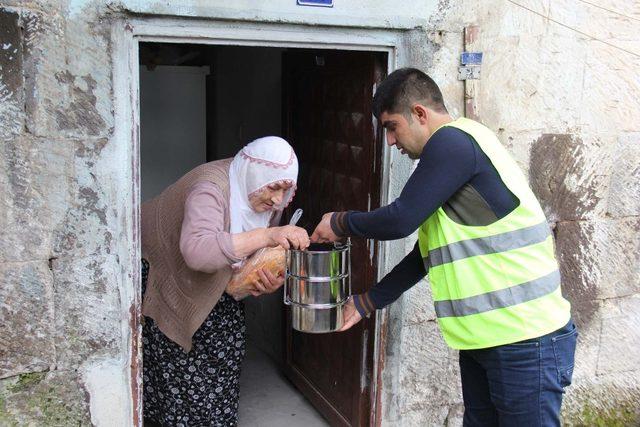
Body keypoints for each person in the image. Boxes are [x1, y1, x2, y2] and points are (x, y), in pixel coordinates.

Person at [311, 68, 577, 426]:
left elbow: (399, 220)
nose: (390, 142)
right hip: (489, 340)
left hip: (526, 341)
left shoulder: (453, 143)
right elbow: (429, 254)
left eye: (391, 127)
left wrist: (339, 222)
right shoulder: (454, 156)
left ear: (419, 113)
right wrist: (367, 301)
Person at [141, 136, 310, 426]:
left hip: (218, 277)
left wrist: (262, 279)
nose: (278, 200)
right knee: (181, 366)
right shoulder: (210, 189)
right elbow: (197, 252)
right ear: (256, 174)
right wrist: (267, 236)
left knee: (225, 351)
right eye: (273, 187)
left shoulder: (262, 194)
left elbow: (250, 253)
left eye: (286, 190)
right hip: (168, 269)